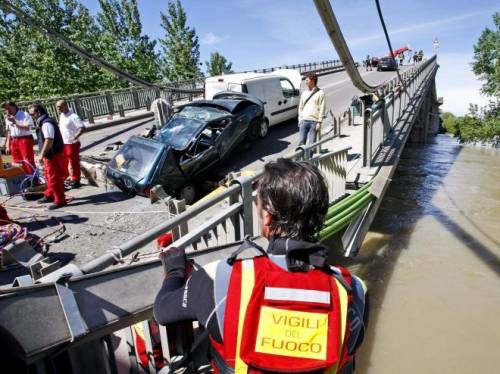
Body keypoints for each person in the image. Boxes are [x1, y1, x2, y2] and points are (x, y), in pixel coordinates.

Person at [154, 158, 368, 373]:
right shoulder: (352, 289)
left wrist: (174, 270)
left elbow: (163, 311)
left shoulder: (219, 278)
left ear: (267, 216)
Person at [28, 104, 66, 210]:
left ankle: (60, 200)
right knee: (48, 176)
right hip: (49, 155)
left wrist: (41, 155)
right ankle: (50, 194)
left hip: (53, 155)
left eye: (32, 114)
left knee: (54, 178)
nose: (31, 117)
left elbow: (49, 140)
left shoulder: (46, 123)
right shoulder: (43, 122)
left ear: (38, 113)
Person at [1, 101, 36, 176]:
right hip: (14, 140)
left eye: (8, 109)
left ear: (14, 107)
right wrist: (7, 145)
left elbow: (28, 128)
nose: (7, 111)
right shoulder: (8, 117)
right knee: (17, 161)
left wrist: (14, 122)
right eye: (5, 110)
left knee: (27, 160)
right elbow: (9, 131)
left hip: (24, 139)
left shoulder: (24, 114)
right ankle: (23, 179)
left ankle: (33, 180)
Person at [56, 100, 85, 189]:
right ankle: (67, 177)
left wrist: (75, 137)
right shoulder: (61, 116)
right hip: (63, 143)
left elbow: (82, 128)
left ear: (65, 106)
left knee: (73, 162)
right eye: (57, 107)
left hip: (72, 143)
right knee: (64, 161)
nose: (58, 109)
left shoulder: (73, 116)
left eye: (60, 107)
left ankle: (76, 179)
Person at [298, 72, 326, 147]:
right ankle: (301, 159)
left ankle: (309, 158)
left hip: (314, 123)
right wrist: (300, 120)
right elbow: (300, 107)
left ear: (313, 80)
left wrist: (319, 122)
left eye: (307, 80)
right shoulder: (304, 93)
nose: (305, 82)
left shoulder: (320, 93)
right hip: (303, 122)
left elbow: (322, 108)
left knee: (311, 145)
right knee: (301, 144)